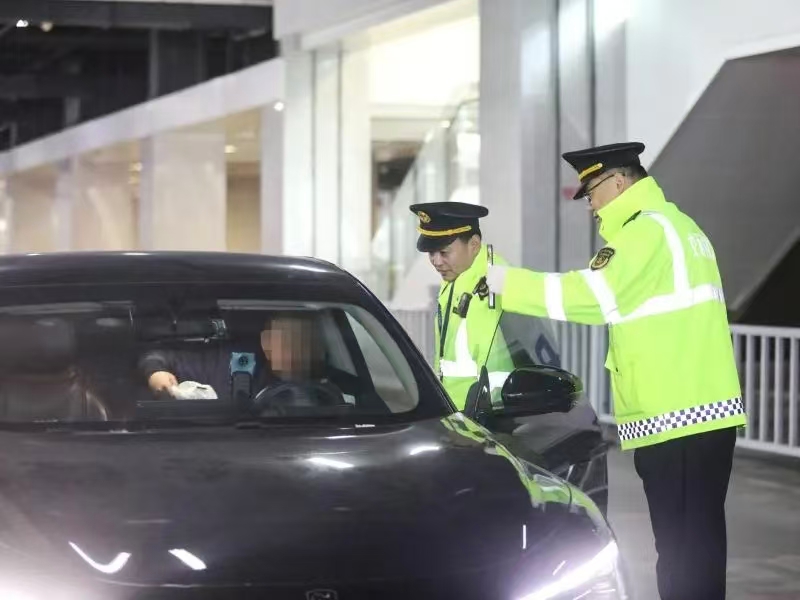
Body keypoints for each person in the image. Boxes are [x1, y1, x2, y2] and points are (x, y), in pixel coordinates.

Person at [485, 141, 746, 600]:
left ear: (619, 182)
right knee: (697, 545)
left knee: (682, 550)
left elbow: (593, 296)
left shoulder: (645, 233)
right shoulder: (680, 227)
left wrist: (506, 284)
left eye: (592, 193)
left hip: (677, 413)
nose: (590, 205)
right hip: (697, 410)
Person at [408, 201, 513, 410]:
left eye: (444, 252)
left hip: (484, 416)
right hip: (458, 414)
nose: (436, 261)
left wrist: (485, 416)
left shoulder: (490, 287)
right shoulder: (459, 278)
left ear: (473, 245)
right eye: (431, 253)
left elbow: (494, 371)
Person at [141, 311, 342, 407]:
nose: (297, 349)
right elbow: (159, 357)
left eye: (306, 340)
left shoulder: (336, 388)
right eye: (288, 340)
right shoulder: (235, 363)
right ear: (267, 343)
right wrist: (156, 371)